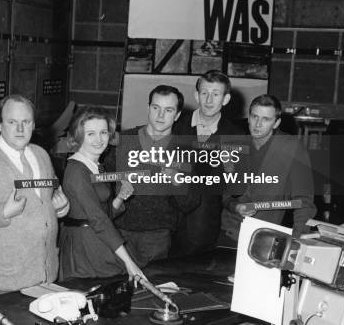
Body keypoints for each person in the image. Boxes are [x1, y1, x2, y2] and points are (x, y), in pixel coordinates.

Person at [0, 94, 69, 299]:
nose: (20, 129)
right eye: (12, 122)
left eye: (26, 122)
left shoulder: (41, 155)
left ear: (33, 124)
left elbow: (52, 192)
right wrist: (1, 212)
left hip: (43, 274)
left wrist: (60, 207)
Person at [114, 86, 199, 267]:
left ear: (177, 115)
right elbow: (101, 182)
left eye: (168, 110)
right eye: (155, 108)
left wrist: (177, 182)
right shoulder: (123, 141)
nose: (160, 115)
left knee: (151, 289)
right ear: (148, 109)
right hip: (118, 232)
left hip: (157, 237)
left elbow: (191, 203)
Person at [59, 106, 147, 281]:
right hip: (85, 248)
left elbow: (103, 214)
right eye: (91, 134)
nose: (99, 140)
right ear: (79, 136)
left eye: (104, 132)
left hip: (95, 238)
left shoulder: (96, 165)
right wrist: (130, 263)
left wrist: (120, 197)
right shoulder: (77, 171)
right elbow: (98, 219)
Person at [222, 94, 316, 239]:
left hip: (263, 236)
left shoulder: (292, 148)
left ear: (276, 123)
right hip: (226, 231)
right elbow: (223, 193)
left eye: (265, 119)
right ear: (249, 117)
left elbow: (303, 202)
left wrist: (297, 241)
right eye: (254, 117)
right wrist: (236, 206)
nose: (257, 124)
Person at [172, 70, 244, 255]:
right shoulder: (176, 126)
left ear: (225, 99)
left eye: (216, 94)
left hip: (203, 226)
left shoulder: (235, 136)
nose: (209, 100)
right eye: (204, 93)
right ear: (196, 95)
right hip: (168, 223)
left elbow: (236, 188)